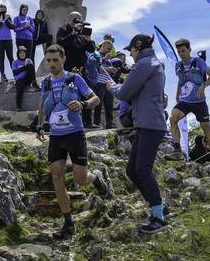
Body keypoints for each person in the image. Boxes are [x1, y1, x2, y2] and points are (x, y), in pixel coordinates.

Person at [35, 44, 108, 239]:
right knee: (57, 177)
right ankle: (68, 223)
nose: (51, 64)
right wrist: (39, 126)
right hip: (56, 137)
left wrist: (83, 104)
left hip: (75, 134)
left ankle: (97, 178)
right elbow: (42, 105)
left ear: (63, 59)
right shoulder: (46, 83)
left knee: (80, 179)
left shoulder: (74, 78)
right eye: (48, 61)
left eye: (55, 60)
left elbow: (95, 99)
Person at [107, 34, 169, 234]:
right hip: (147, 123)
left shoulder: (143, 64)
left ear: (138, 46)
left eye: (131, 50)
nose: (131, 55)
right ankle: (158, 205)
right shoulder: (153, 63)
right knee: (132, 170)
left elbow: (124, 93)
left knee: (141, 170)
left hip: (150, 124)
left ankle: (158, 216)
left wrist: (111, 85)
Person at [168, 38, 210, 163]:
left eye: (183, 51)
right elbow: (180, 82)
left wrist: (204, 85)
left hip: (199, 102)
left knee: (206, 128)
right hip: (184, 102)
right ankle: (177, 150)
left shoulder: (198, 62)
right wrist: (177, 96)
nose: (181, 53)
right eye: (179, 51)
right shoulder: (178, 65)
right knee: (172, 119)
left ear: (189, 50)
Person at [0, 4, 15, 83]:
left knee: (11, 58)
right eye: (0, 8)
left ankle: (16, 74)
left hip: (8, 39)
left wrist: (7, 19)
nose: (2, 10)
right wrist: (0, 21)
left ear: (6, 9)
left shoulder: (8, 17)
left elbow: (12, 26)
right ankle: (3, 76)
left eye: (4, 8)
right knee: (2, 58)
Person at [12, 46, 36, 110]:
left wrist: (27, 66)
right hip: (19, 80)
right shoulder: (15, 62)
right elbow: (15, 72)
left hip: (27, 79)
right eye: (20, 53)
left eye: (23, 53)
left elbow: (31, 70)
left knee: (30, 65)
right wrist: (24, 67)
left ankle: (34, 83)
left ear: (26, 53)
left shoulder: (28, 60)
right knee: (19, 90)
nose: (22, 54)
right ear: (18, 54)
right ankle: (18, 107)